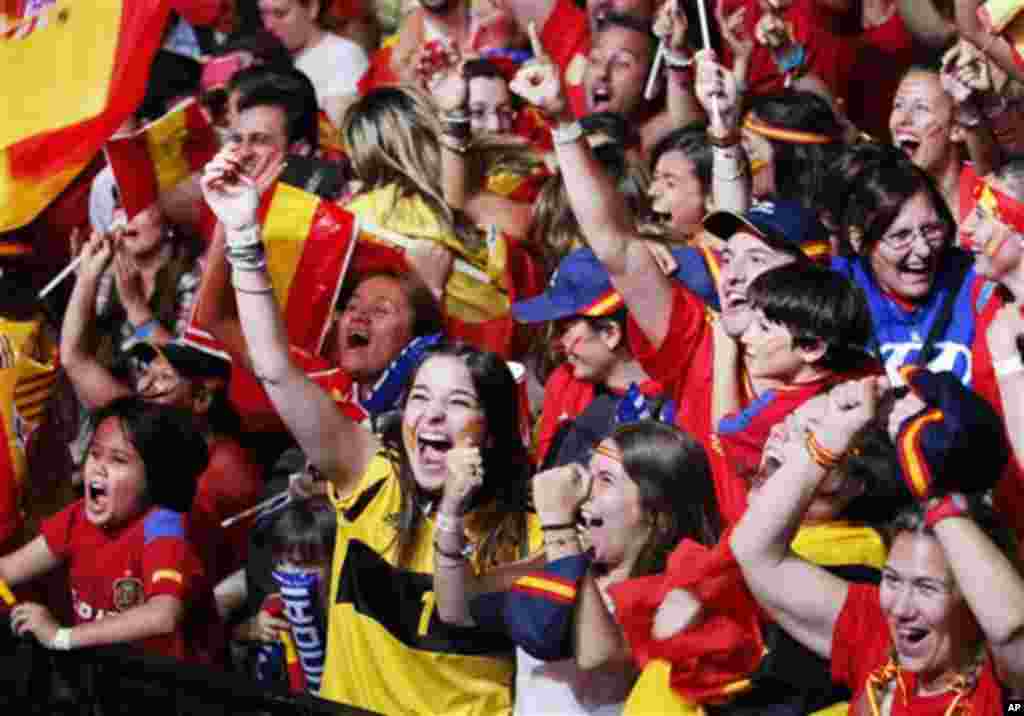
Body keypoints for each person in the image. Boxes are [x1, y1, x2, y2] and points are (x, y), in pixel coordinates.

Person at [203, 130, 540, 715]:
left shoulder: (530, 533)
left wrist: (455, 514)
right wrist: (241, 234)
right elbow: (277, 371)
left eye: (457, 402)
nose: (431, 415)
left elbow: (463, 611)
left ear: (492, 426)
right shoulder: (370, 477)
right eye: (420, 399)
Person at [731, 368, 1024, 712]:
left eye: (927, 588)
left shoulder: (1001, 680)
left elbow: (1011, 629)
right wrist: (833, 435)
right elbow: (754, 552)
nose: (900, 608)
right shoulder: (876, 633)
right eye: (892, 580)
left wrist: (935, 495)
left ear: (974, 603)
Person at [433, 420, 724, 716]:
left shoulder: (677, 594)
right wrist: (451, 511)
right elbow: (457, 607)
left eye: (606, 479)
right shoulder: (561, 555)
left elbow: (597, 656)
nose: (584, 491)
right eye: (589, 472)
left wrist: (559, 526)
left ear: (657, 514)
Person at [60, 232, 263, 583]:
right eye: (146, 374)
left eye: (163, 379)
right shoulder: (147, 421)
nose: (145, 386)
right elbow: (74, 358)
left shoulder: (226, 471)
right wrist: (89, 275)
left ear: (200, 399)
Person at [5, 397, 222, 664]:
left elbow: (163, 616)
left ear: (155, 478)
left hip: (176, 694)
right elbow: (6, 571)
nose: (98, 467)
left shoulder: (163, 529)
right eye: (95, 454)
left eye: (118, 460)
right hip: (108, 684)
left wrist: (61, 637)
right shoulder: (77, 517)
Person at [258, 0, 369, 126]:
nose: (268, 25)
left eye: (280, 14)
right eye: (263, 14)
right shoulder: (267, 57)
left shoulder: (343, 55)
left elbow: (344, 130)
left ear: (312, 8)